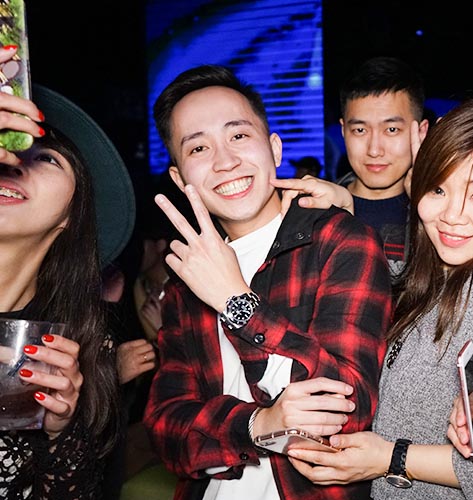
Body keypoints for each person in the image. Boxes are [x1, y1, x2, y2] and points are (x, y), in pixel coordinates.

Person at [286, 98, 473, 499]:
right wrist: (349, 213)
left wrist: (393, 458)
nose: (452, 214)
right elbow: (388, 280)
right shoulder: (441, 273)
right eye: (439, 188)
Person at [143, 64, 393, 500]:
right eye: (198, 148)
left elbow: (348, 407)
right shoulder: (185, 281)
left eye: (239, 135)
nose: (225, 161)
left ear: (274, 148)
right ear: (181, 178)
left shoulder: (338, 240)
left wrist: (236, 302)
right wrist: (258, 424)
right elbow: (168, 432)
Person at [0, 45, 135, 500]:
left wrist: (61, 433)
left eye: (47, 157)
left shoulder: (83, 347)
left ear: (71, 216)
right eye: (7, 145)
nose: (14, 159)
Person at [331, 56, 429, 275]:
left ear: (421, 132)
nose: (374, 150)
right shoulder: (318, 210)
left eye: (391, 130)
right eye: (360, 130)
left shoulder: (442, 219)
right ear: (343, 131)